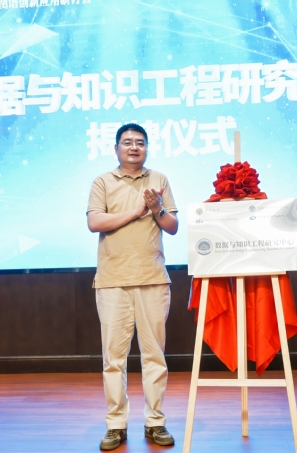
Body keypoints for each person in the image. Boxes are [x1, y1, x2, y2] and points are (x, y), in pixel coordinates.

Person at [86, 123, 179, 451]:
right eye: (127, 143)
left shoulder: (159, 180)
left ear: (147, 148)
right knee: (114, 358)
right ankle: (116, 425)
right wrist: (137, 211)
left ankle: (155, 421)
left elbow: (172, 226)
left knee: (155, 356)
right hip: (112, 281)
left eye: (140, 142)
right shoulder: (103, 181)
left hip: (152, 279)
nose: (134, 148)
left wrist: (156, 209)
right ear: (116, 149)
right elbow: (95, 222)